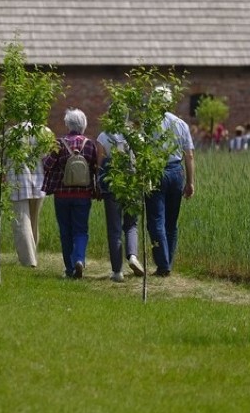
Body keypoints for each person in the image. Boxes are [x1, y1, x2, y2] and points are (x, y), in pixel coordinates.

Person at [145, 86, 195, 277]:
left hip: (156, 171)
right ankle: (168, 262)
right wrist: (190, 182)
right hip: (176, 171)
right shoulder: (180, 124)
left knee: (156, 220)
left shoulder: (148, 124)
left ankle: (163, 263)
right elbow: (189, 155)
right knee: (171, 222)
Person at [42, 108, 98, 279]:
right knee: (81, 230)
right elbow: (96, 169)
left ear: (67, 124)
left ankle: (69, 269)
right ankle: (79, 259)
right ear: (84, 125)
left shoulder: (59, 143)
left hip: (62, 195)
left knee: (65, 231)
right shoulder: (89, 144)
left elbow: (47, 165)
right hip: (83, 195)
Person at [95, 130, 145, 282]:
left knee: (114, 229)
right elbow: (143, 161)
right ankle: (132, 256)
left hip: (112, 186)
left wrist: (97, 184)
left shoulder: (103, 136)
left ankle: (117, 271)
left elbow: (99, 166)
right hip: (132, 186)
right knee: (131, 225)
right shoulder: (137, 136)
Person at [7, 123, 52, 268]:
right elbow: (49, 157)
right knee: (33, 221)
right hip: (39, 181)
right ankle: (32, 256)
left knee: (21, 221)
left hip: (18, 181)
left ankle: (29, 261)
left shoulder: (12, 132)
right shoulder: (45, 131)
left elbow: (2, 157)